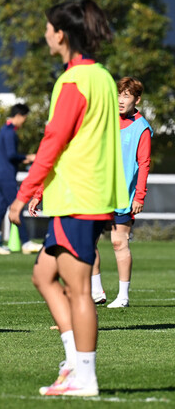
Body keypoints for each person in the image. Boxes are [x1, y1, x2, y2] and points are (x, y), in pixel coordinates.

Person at [9, 0, 128, 397]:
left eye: (47, 27)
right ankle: (73, 363)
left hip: (78, 197)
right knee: (43, 275)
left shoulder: (74, 81)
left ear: (60, 33)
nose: (44, 33)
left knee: (78, 289)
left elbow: (54, 141)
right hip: (83, 195)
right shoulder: (104, 78)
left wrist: (24, 193)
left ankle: (85, 376)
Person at [90, 77, 152, 308]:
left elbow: (144, 163)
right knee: (87, 242)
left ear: (137, 99)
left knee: (119, 243)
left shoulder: (141, 127)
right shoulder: (105, 120)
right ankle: (96, 291)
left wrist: (139, 196)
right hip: (98, 194)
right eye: (118, 95)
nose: (120, 100)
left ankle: (123, 296)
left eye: (126, 96)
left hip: (124, 196)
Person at [0, 104, 40, 255]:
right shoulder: (10, 132)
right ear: (19, 116)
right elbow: (11, 155)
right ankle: (26, 242)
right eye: (24, 118)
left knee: (0, 210)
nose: (23, 121)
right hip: (6, 176)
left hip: (0, 174)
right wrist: (27, 157)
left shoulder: (4, 129)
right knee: (17, 208)